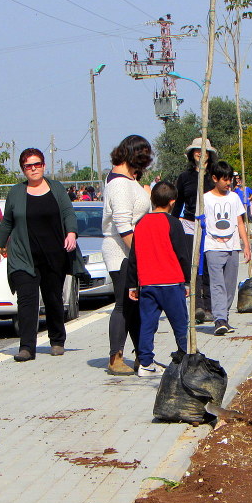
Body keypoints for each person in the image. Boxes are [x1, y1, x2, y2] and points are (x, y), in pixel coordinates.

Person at [0, 148, 83, 362]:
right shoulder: (15, 192)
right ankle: (26, 347)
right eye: (28, 166)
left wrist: (71, 233)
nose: (33, 169)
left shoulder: (56, 188)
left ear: (43, 165)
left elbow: (68, 212)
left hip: (53, 255)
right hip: (24, 256)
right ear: (23, 169)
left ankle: (57, 340)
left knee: (53, 299)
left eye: (37, 164)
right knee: (26, 301)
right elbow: (7, 223)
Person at [101, 135, 153, 375]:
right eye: (142, 160)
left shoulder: (127, 180)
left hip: (130, 251)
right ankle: (116, 358)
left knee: (133, 305)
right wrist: (140, 255)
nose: (143, 166)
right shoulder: (120, 184)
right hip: (122, 252)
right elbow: (123, 225)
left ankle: (142, 356)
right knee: (123, 305)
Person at [127, 181, 191, 378]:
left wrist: (132, 284)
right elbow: (182, 254)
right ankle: (185, 357)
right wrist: (187, 280)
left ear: (152, 200)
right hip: (171, 282)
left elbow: (134, 257)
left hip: (147, 283)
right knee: (180, 323)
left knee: (147, 324)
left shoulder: (141, 223)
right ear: (172, 202)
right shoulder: (173, 223)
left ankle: (145, 363)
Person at [203, 160, 252, 336]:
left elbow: (239, 222)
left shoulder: (234, 197)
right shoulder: (206, 198)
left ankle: (225, 316)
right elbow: (200, 222)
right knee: (217, 285)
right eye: (224, 179)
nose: (228, 183)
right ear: (215, 178)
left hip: (232, 247)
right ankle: (219, 319)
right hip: (213, 246)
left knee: (230, 286)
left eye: (230, 179)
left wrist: (246, 244)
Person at [173, 137, 217, 323]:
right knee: (194, 267)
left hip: (213, 226)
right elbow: (178, 204)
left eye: (203, 150)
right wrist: (172, 224)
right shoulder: (185, 178)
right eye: (196, 150)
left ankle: (210, 306)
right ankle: (197, 305)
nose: (200, 153)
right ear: (192, 154)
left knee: (209, 267)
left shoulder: (214, 176)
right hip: (191, 225)